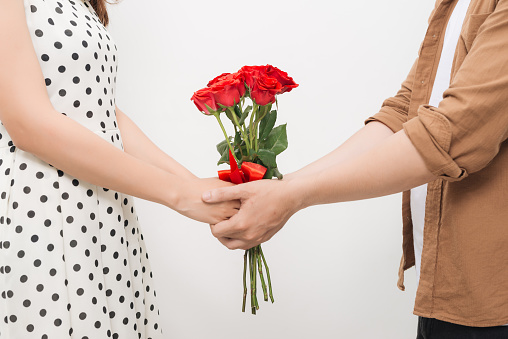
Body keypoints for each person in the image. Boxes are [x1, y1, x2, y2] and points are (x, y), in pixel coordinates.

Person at [202, 0, 508, 337]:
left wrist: (294, 196)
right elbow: (406, 111)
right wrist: (280, 186)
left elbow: (454, 134)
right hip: (442, 286)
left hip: (492, 300)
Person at [0, 0, 239, 338]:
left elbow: (99, 111)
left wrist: (200, 189)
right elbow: (28, 123)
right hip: (43, 210)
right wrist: (180, 195)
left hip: (105, 211)